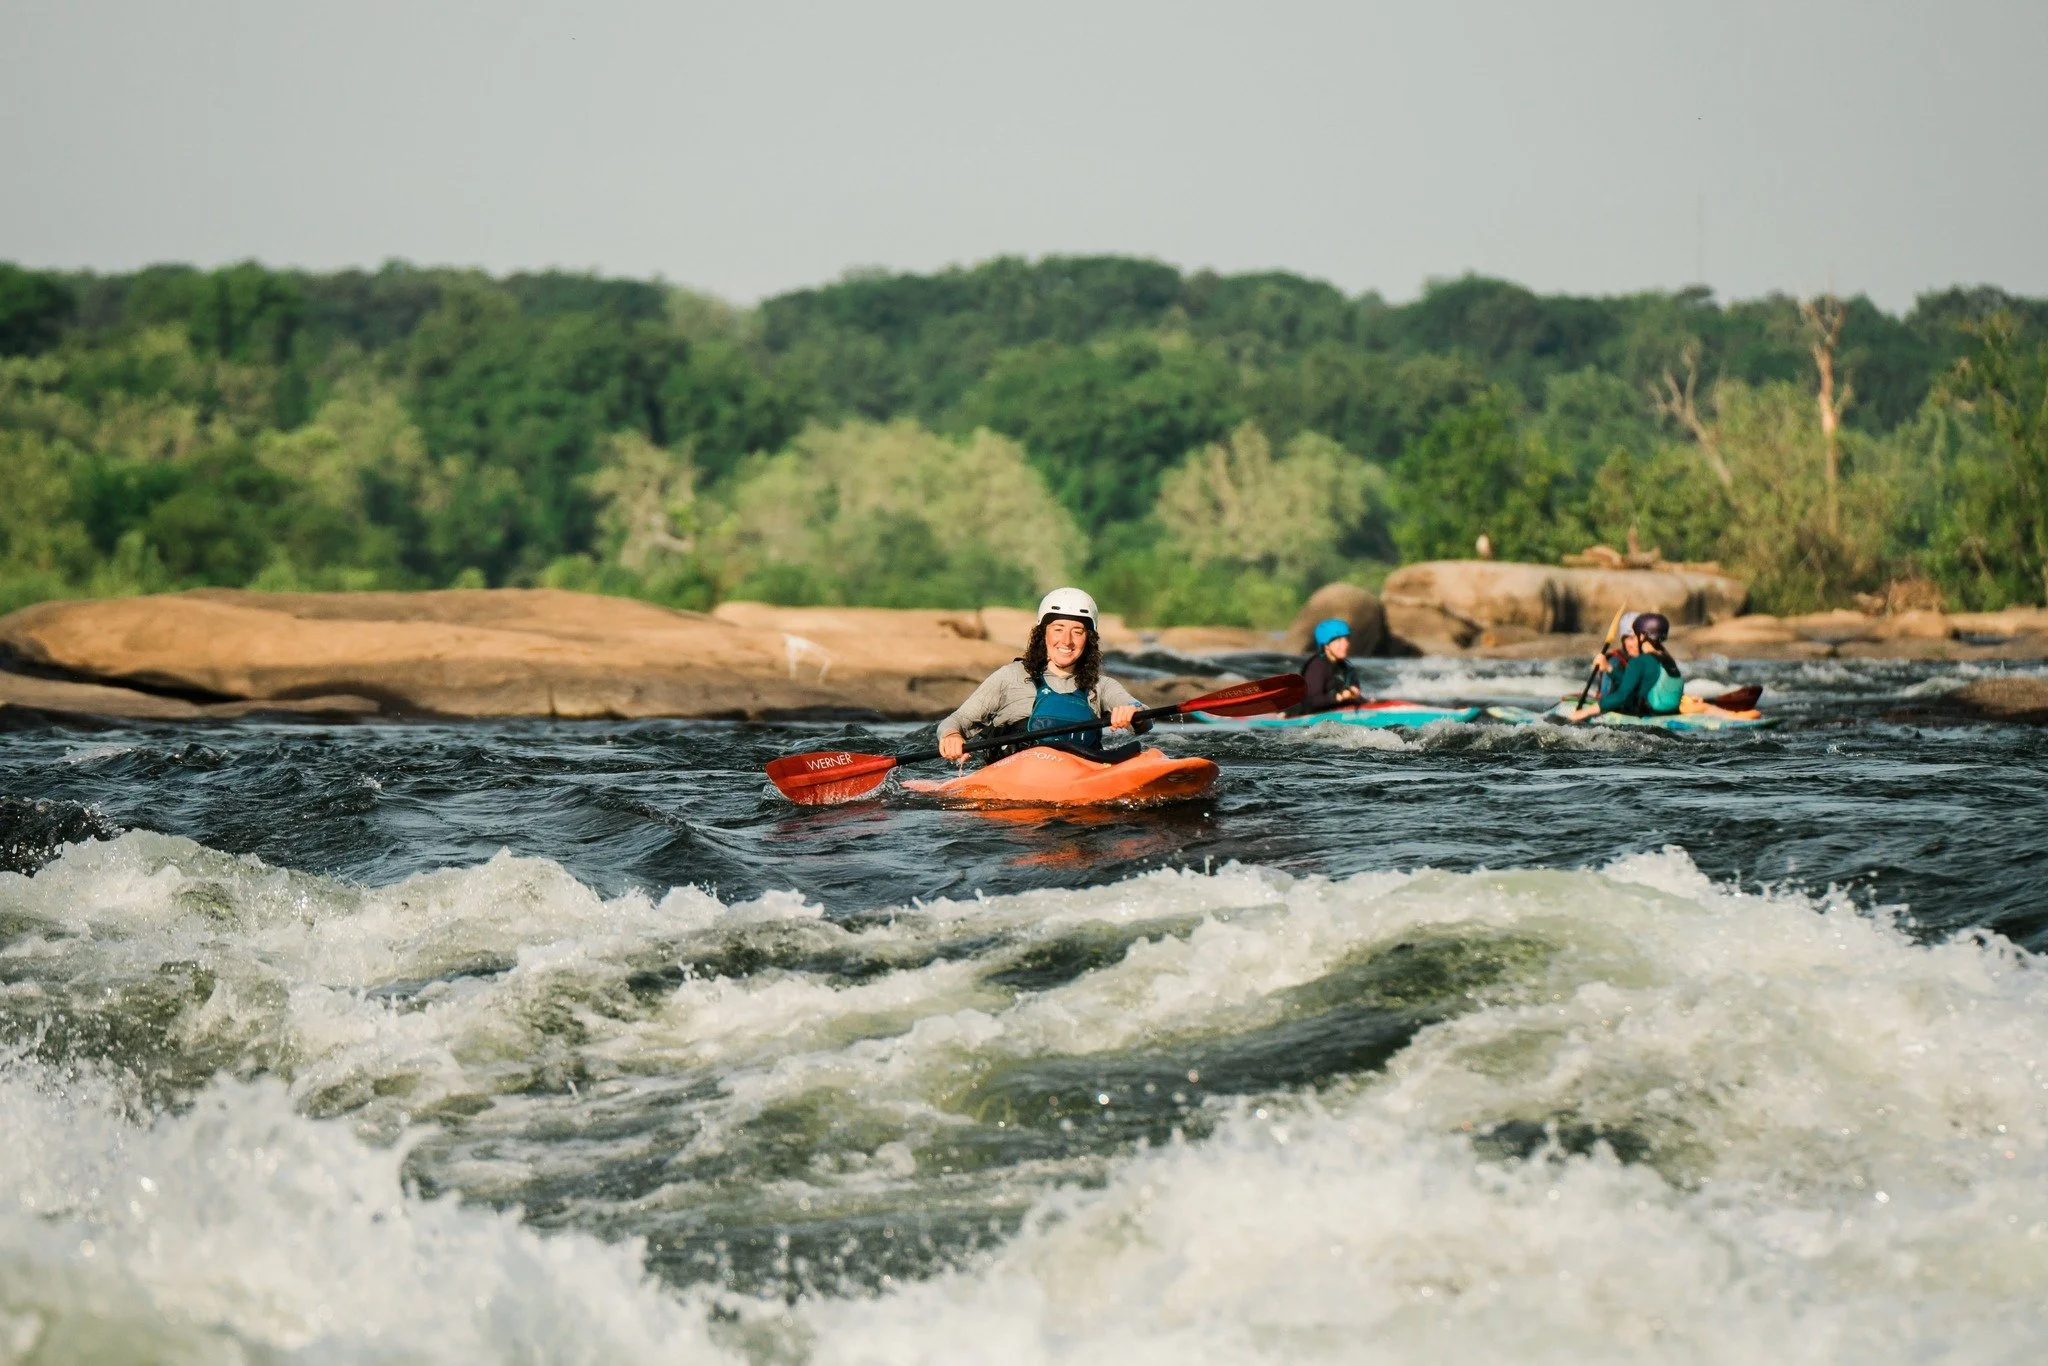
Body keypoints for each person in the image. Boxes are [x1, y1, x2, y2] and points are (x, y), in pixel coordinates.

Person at [937, 587, 1141, 762]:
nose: (1067, 640)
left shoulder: (1101, 686)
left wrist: (1132, 713)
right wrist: (951, 736)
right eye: (1058, 629)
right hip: (1014, 774)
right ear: (1043, 633)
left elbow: (1142, 717)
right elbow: (956, 720)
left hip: (1082, 772)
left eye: (1077, 631)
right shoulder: (1010, 677)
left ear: (1089, 638)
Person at [1564, 612, 1684, 721]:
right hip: (1670, 713)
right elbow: (1633, 684)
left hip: (1648, 715)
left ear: (1642, 636)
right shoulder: (1668, 660)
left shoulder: (1639, 662)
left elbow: (1621, 696)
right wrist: (1610, 669)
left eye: (1635, 635)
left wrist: (1583, 713)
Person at [1291, 617, 1363, 715]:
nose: (1346, 644)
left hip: (1335, 713)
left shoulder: (1346, 667)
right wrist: (1340, 697)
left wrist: (1355, 695)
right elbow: (1312, 702)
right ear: (1326, 645)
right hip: (1307, 717)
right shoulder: (1317, 666)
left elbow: (1353, 698)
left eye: (1346, 639)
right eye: (1338, 640)